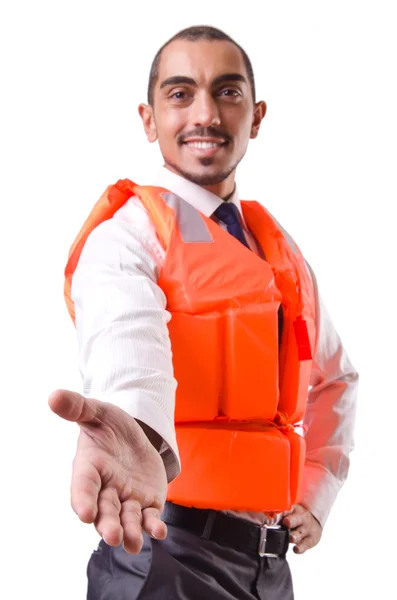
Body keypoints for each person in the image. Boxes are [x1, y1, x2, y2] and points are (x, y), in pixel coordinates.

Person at [48, 25, 358, 600]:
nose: (206, 114)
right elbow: (126, 346)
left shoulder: (280, 249)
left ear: (257, 116)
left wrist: (314, 494)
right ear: (148, 118)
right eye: (180, 93)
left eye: (228, 92)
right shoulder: (129, 237)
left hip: (268, 567)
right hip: (163, 555)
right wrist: (135, 431)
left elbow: (335, 378)